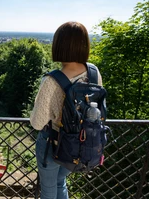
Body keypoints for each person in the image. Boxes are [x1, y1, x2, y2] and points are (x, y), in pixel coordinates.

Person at [30, 21, 102, 199]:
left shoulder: (52, 81)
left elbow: (38, 123)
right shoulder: (94, 73)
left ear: (58, 46)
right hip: (82, 142)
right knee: (60, 182)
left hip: (54, 143)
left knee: (48, 189)